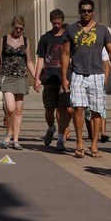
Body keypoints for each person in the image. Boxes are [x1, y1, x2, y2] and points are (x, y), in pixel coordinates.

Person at [63, 0, 111, 158]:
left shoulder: (103, 30)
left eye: (89, 11)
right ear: (79, 11)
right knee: (78, 108)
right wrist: (64, 77)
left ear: (93, 12)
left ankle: (94, 144)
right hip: (78, 74)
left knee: (96, 111)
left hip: (97, 74)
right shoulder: (71, 29)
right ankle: (80, 142)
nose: (86, 13)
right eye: (83, 11)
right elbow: (65, 54)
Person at [0, 15, 36, 150]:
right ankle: (8, 132)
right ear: (12, 26)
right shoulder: (4, 39)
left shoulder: (26, 41)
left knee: (18, 110)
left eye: (21, 29)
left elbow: (28, 61)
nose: (18, 31)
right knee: (10, 108)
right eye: (16, 28)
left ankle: (15, 139)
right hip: (7, 77)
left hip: (21, 77)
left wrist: (36, 78)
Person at [34, 8, 72, 150]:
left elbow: (71, 56)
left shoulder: (67, 37)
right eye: (54, 23)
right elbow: (41, 58)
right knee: (49, 109)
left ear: (62, 21)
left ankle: (61, 139)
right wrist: (37, 78)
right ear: (51, 21)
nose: (56, 25)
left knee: (65, 109)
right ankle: (51, 128)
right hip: (49, 77)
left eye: (59, 23)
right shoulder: (45, 38)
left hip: (65, 78)